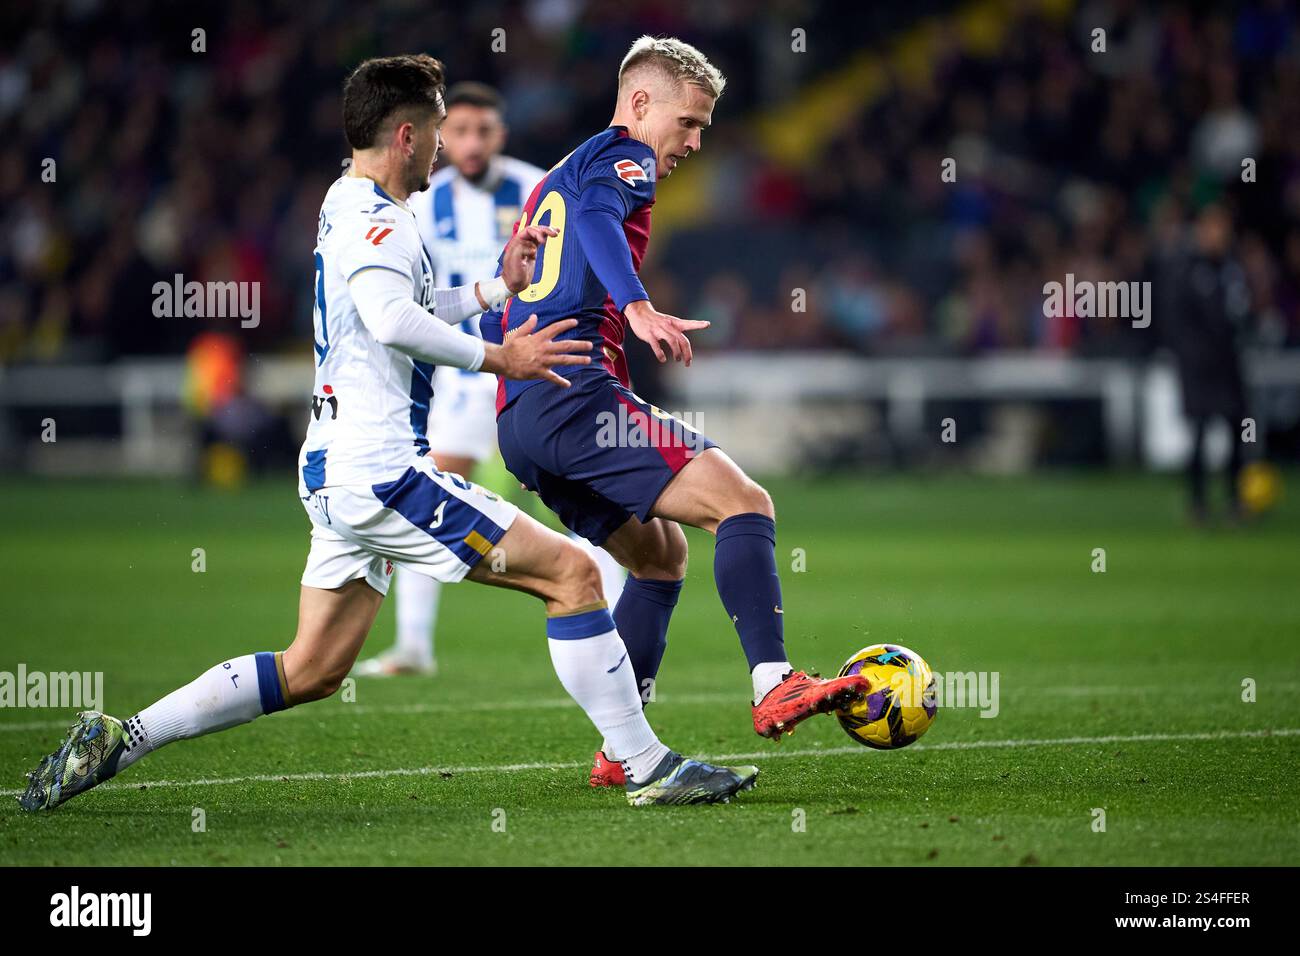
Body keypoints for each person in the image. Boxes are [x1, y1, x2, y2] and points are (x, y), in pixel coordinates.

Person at [18, 54, 757, 812]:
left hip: (334, 469)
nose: (448, 149)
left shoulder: (349, 206)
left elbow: (406, 310)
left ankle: (123, 735)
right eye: (438, 132)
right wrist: (500, 354)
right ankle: (646, 766)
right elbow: (390, 321)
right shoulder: (376, 219)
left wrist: (497, 287)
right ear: (407, 135)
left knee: (312, 669)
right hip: (380, 469)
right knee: (574, 576)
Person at [483, 37, 870, 788]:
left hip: (524, 418)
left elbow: (540, 267)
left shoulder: (562, 174)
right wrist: (635, 306)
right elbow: (599, 220)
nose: (694, 142)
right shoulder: (621, 159)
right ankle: (773, 683)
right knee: (743, 503)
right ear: (639, 104)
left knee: (660, 559)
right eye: (688, 123)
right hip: (575, 400)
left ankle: (620, 751)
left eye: (703, 128)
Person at [355, 81, 623, 677]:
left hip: (535, 361)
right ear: (442, 137)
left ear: (501, 135)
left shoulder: (537, 187)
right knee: (434, 489)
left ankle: (621, 613)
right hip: (462, 367)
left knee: (574, 494)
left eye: (485, 131)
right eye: (461, 131)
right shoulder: (421, 203)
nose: (472, 143)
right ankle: (414, 645)